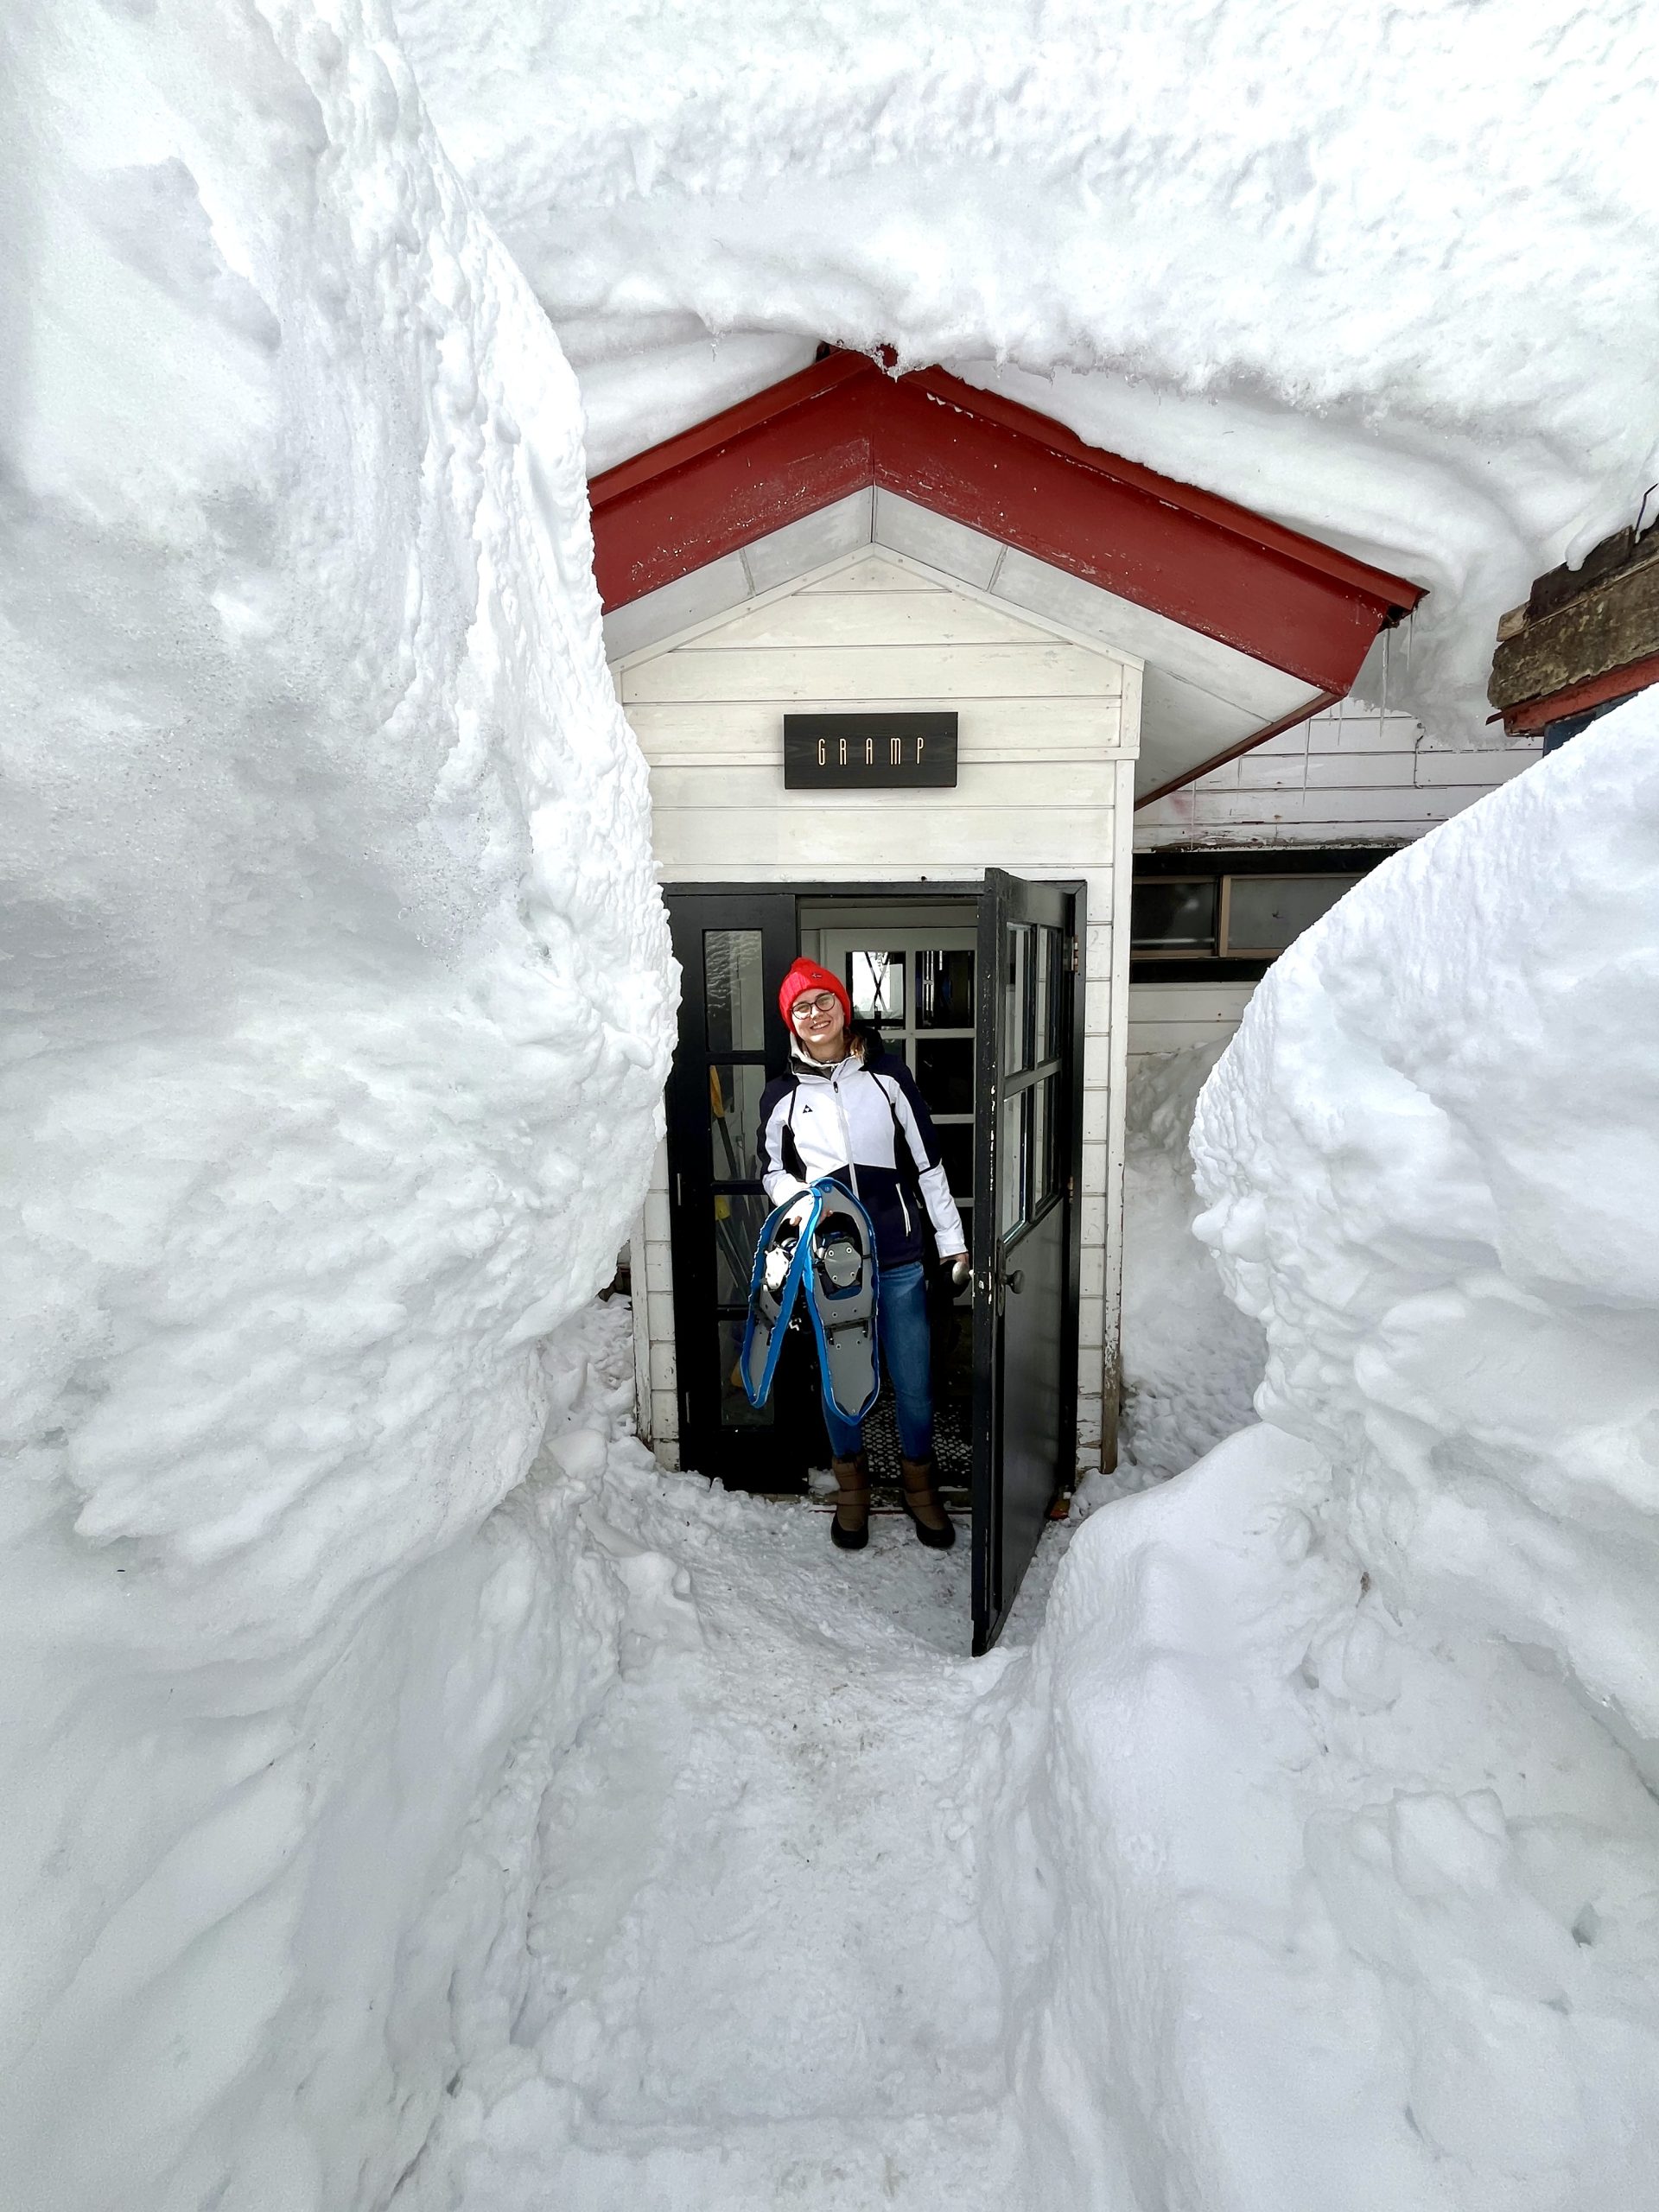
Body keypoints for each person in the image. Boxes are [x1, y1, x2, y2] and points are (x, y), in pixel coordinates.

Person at [757, 957, 971, 1553]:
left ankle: (918, 1485)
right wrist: (805, 1199)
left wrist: (952, 1243)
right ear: (791, 1023)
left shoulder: (888, 1076)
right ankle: (852, 1489)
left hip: (901, 1256)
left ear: (843, 1008)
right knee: (844, 1380)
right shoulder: (782, 1095)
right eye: (802, 1007)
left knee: (915, 1380)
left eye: (824, 1000)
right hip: (835, 1262)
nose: (816, 1013)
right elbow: (771, 1170)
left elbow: (928, 1163)